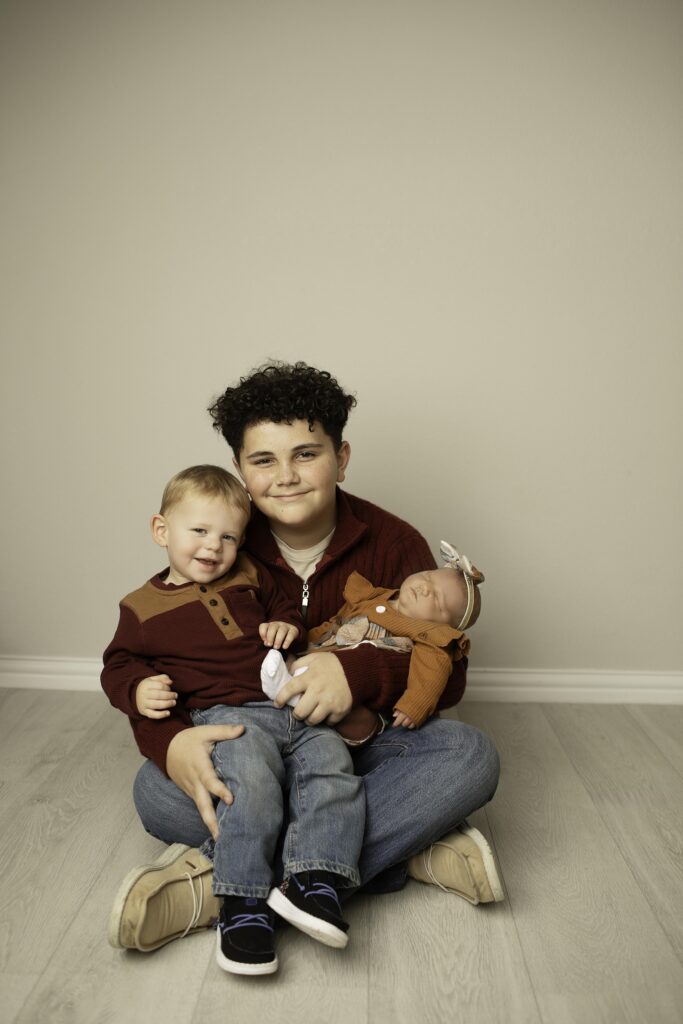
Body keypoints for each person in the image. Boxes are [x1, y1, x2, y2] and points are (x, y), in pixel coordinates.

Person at [107, 361, 503, 956]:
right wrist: (171, 746)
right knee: (154, 789)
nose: (285, 477)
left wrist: (357, 673)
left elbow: (447, 678)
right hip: (246, 752)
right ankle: (396, 855)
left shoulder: (394, 542)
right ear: (240, 470)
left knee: (469, 756)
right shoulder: (218, 546)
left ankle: (222, 887)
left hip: (354, 751)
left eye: (306, 455)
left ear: (341, 458)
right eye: (263, 461)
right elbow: (152, 664)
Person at [102, 465, 366, 975]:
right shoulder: (141, 607)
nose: (213, 546)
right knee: (249, 785)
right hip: (223, 718)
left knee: (334, 761)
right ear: (162, 531)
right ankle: (241, 904)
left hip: (285, 703)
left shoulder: (249, 572)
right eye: (198, 531)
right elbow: (117, 663)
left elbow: (288, 608)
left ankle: (315, 879)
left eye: (227, 536)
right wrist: (137, 689)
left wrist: (285, 625)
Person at [262, 544, 484, 737]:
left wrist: (414, 705)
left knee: (464, 743)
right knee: (293, 663)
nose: (425, 588)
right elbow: (337, 623)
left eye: (436, 599)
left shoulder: (430, 633)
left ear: (444, 625)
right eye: (427, 576)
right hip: (323, 654)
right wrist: (305, 643)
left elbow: (435, 669)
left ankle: (290, 698)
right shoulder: (376, 596)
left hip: (351, 699)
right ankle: (286, 693)